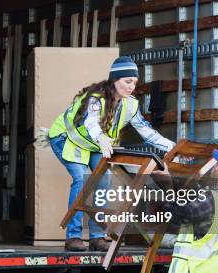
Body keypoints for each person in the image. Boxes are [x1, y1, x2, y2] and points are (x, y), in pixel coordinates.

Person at [47, 56, 176, 252]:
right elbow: (91, 122)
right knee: (81, 180)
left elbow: (147, 132)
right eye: (127, 81)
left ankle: (97, 237)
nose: (132, 86)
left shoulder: (131, 105)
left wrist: (172, 147)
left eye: (134, 82)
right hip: (67, 139)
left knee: (104, 181)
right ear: (115, 80)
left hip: (94, 145)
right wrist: (102, 138)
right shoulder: (95, 99)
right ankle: (72, 237)